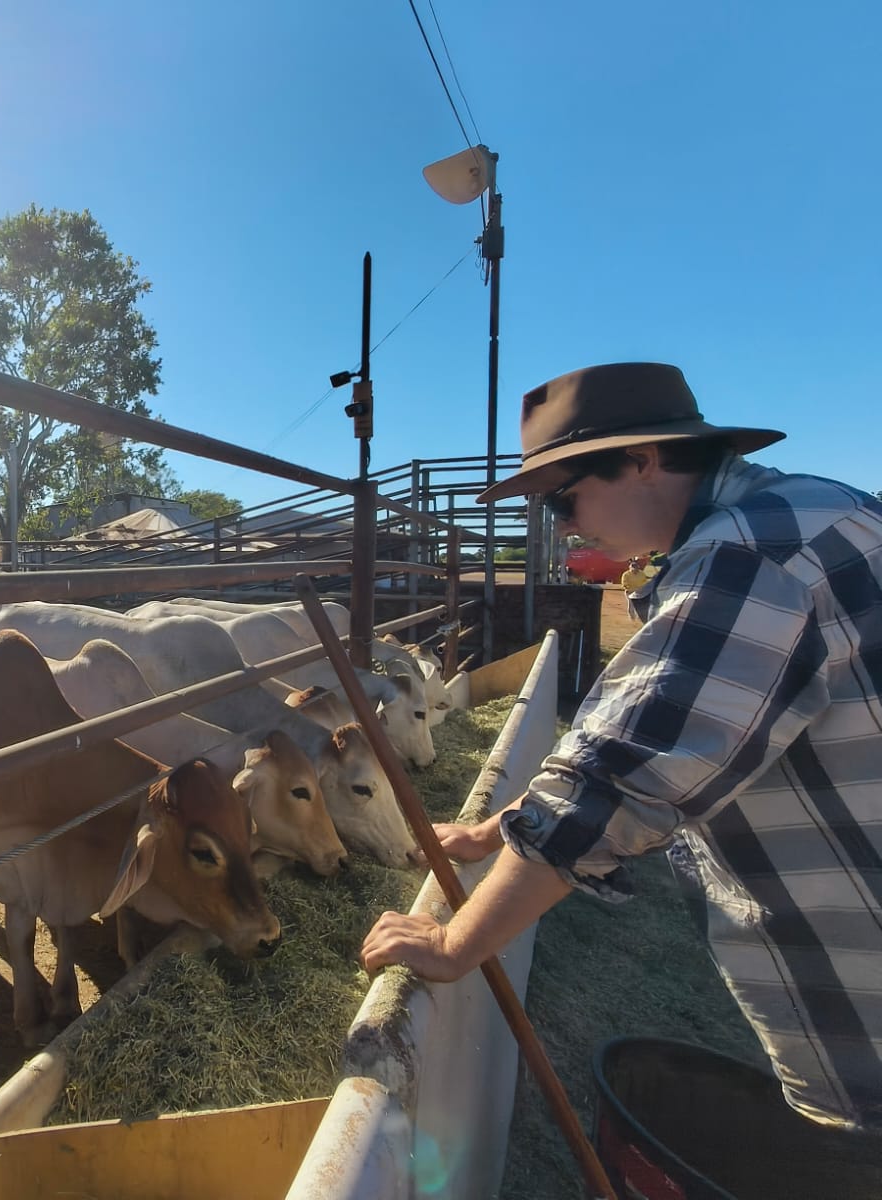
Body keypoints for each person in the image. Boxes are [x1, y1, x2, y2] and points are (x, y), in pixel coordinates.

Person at [360, 361, 882, 1134]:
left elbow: (616, 781)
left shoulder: (747, 559)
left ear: (643, 461)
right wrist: (497, 828)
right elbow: (660, 730)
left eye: (564, 496)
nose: (562, 525)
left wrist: (452, 942)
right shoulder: (827, 510)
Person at [618, 556, 648, 620]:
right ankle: (632, 618)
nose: (635, 569)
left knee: (639, 605)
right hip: (630, 591)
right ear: (630, 568)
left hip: (640, 591)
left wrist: (642, 589)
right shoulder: (626, 574)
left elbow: (645, 582)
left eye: (636, 567)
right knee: (631, 605)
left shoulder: (642, 573)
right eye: (633, 568)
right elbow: (624, 583)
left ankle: (639, 618)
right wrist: (628, 589)